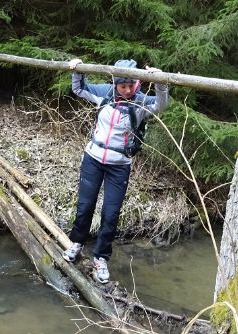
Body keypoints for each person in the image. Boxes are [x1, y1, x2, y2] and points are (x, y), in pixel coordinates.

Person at [62, 58, 169, 283]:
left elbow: (161, 104)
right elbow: (79, 88)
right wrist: (77, 67)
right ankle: (76, 243)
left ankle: (101, 258)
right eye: (123, 86)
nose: (128, 90)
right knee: (85, 206)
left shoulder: (141, 103)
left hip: (119, 166)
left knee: (110, 215)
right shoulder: (104, 93)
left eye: (132, 86)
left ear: (138, 83)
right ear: (115, 83)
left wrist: (160, 81)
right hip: (93, 159)